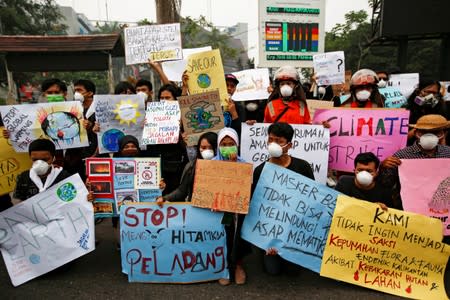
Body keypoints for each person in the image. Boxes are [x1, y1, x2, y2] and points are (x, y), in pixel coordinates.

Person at [251, 122, 314, 275]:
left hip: (294, 232)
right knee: (273, 271)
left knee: (293, 272)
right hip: (271, 233)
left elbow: (312, 199)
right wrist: (265, 240)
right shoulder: (260, 170)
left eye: (279, 141)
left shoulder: (302, 167)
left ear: (289, 145)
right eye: (271, 139)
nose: (273, 144)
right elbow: (257, 207)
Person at [379, 114, 450, 209]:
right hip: (411, 208)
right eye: (424, 132)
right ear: (416, 133)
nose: (429, 136)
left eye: (435, 132)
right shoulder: (402, 156)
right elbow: (386, 184)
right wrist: (384, 167)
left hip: (442, 208)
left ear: (443, 134)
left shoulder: (448, 153)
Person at [213, 127, 250, 285]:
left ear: (238, 144)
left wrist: (234, 164)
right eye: (224, 143)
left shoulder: (244, 164)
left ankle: (238, 266)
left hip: (236, 210)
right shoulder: (211, 164)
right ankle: (224, 267)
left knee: (236, 236)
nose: (227, 146)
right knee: (221, 237)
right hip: (216, 210)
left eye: (231, 143)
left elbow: (246, 188)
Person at [156, 131, 217, 204]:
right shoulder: (192, 166)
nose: (206, 150)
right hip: (198, 210)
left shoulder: (226, 167)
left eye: (210, 147)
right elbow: (182, 191)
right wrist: (165, 198)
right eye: (203, 147)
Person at [64, 79, 98, 180]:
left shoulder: (99, 110)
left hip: (94, 156)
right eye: (75, 91)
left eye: (79, 90)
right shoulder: (73, 110)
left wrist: (92, 128)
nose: (76, 93)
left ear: (90, 93)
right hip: (75, 159)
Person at [404, 79, 449, 145]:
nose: (431, 96)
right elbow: (403, 138)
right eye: (428, 92)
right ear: (418, 92)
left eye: (434, 93)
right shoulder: (407, 110)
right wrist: (422, 128)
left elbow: (444, 133)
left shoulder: (442, 108)